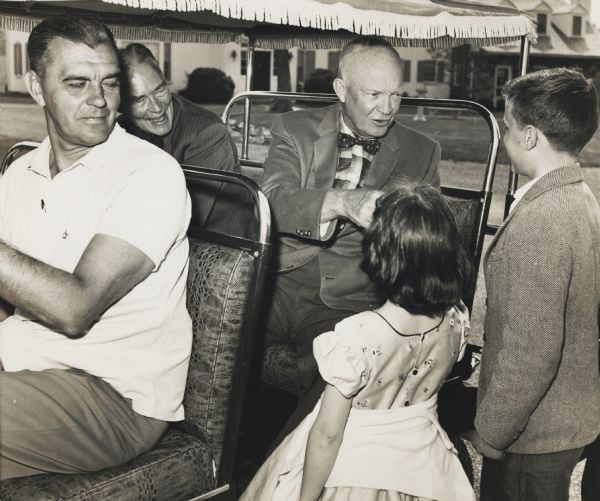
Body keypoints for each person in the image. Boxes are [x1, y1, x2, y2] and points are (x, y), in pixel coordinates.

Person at [0, 17, 192, 479]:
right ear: (37, 87)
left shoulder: (151, 173)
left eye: (109, 82)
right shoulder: (20, 170)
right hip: (25, 365)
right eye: (77, 83)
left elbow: (74, 307)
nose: (100, 100)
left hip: (112, 395)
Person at [241, 184, 474, 501]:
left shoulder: (356, 336)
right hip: (420, 464)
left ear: (380, 255)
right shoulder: (456, 319)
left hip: (350, 472)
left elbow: (327, 435)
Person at [259, 35, 440, 434]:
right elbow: (272, 199)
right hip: (276, 282)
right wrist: (342, 202)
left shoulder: (421, 150)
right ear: (341, 90)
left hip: (351, 297)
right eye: (374, 93)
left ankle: (279, 478)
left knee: (337, 372)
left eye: (396, 95)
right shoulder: (294, 128)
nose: (387, 108)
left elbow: (425, 240)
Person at [468, 68, 600, 501]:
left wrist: (493, 431)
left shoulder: (540, 222)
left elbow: (533, 350)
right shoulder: (581, 196)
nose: (505, 140)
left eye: (506, 128)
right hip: (566, 418)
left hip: (532, 433)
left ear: (528, 136)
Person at [118, 43, 247, 234]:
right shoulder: (120, 130)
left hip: (219, 247)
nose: (156, 107)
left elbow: (185, 219)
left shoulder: (207, 133)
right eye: (139, 99)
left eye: (159, 90)